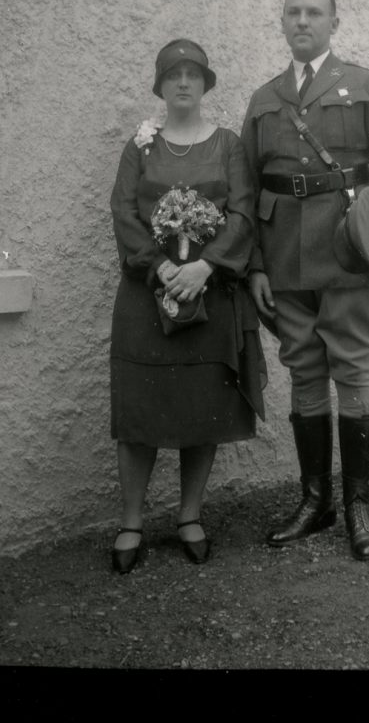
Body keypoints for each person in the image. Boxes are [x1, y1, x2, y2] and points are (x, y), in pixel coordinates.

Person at [240, 0, 369, 561]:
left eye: (314, 13)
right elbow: (246, 189)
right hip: (285, 258)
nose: (302, 22)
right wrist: (256, 266)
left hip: (345, 254)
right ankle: (316, 502)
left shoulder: (364, 85)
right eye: (292, 13)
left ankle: (359, 506)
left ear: (334, 22)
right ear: (282, 22)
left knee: (354, 370)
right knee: (304, 373)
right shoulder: (264, 98)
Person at [109, 39, 266, 574]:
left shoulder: (227, 145)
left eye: (192, 74)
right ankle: (131, 520)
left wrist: (206, 267)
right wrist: (159, 268)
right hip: (145, 293)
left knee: (202, 406)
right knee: (140, 409)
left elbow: (242, 214)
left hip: (209, 292)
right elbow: (124, 211)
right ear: (160, 85)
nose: (182, 82)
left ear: (204, 84)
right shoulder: (141, 146)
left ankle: (190, 515)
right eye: (172, 74)